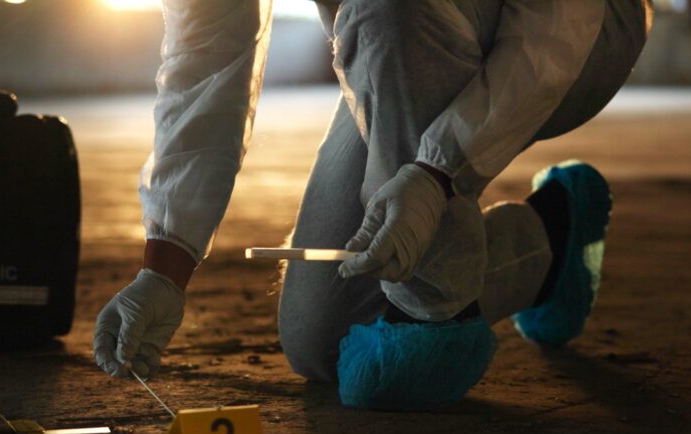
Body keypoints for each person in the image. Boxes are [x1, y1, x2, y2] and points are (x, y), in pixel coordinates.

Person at [93, 0, 652, 410]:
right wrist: (165, 265)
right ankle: (552, 236)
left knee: (387, 13)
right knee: (323, 341)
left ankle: (437, 314)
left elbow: (556, 26)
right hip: (401, 35)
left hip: (576, 28)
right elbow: (207, 58)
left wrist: (438, 171)